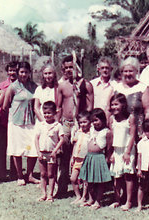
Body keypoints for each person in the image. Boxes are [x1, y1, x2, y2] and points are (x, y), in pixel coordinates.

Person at [56, 55, 94, 197]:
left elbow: (90, 106)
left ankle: (85, 191)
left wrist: (82, 121)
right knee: (64, 157)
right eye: (65, 68)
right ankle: (62, 188)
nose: (68, 70)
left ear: (77, 67)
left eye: (71, 67)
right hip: (66, 124)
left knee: (81, 156)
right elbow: (59, 107)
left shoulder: (86, 85)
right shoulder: (62, 86)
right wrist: (58, 124)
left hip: (81, 125)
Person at [3, 61, 39, 186]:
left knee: (32, 149)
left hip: (30, 122)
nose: (24, 74)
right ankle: (19, 176)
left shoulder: (34, 87)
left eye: (26, 72)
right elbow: (5, 105)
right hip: (16, 123)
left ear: (29, 73)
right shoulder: (13, 87)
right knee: (17, 149)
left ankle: (29, 175)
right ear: (18, 73)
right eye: (21, 72)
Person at [78, 108, 112, 210]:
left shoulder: (107, 132)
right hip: (89, 156)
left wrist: (108, 158)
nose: (94, 123)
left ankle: (98, 201)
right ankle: (90, 199)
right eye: (93, 121)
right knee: (89, 180)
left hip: (99, 157)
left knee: (99, 181)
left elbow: (109, 147)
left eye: (97, 120)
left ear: (103, 120)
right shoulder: (91, 129)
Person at [113, 57, 149, 138]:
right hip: (118, 130)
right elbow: (109, 109)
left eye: (131, 71)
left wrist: (146, 130)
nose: (128, 74)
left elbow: (148, 111)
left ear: (136, 72)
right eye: (125, 71)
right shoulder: (116, 88)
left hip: (137, 132)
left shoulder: (142, 88)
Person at [108, 93, 136, 211]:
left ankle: (128, 201)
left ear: (123, 105)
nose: (114, 107)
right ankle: (117, 200)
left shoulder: (130, 117)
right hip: (116, 150)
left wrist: (128, 152)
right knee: (116, 177)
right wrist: (111, 153)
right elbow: (111, 136)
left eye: (117, 104)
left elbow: (133, 135)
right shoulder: (111, 119)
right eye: (112, 105)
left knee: (128, 176)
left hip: (127, 149)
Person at [34, 101, 65, 202]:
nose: (47, 115)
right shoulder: (41, 125)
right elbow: (36, 138)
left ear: (55, 113)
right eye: (45, 113)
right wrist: (38, 152)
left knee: (51, 175)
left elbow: (62, 139)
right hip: (42, 153)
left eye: (49, 113)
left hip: (51, 154)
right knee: (43, 174)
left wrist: (55, 151)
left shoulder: (58, 126)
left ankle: (50, 195)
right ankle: (43, 194)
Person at [0, 61, 18, 181]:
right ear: (7, 71)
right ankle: (1, 173)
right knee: (2, 147)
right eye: (10, 70)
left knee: (15, 147)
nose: (12, 73)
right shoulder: (2, 86)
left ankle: (15, 173)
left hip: (16, 121)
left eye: (15, 70)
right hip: (3, 120)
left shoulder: (21, 85)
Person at [70, 111, 92, 205]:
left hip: (85, 159)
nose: (82, 124)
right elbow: (75, 145)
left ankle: (84, 197)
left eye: (84, 122)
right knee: (73, 178)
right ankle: (78, 196)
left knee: (85, 180)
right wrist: (72, 157)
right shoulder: (78, 132)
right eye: (80, 123)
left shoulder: (91, 133)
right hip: (77, 159)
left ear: (89, 122)